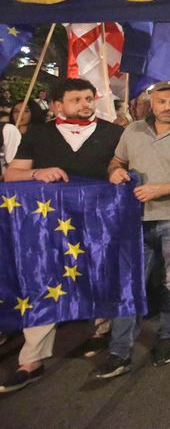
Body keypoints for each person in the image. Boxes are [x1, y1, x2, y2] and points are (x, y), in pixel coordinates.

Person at [0, 79, 124, 393]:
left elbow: (123, 166)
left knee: (99, 275)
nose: (85, 104)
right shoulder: (38, 135)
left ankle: (100, 330)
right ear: (57, 105)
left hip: (99, 221)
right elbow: (11, 174)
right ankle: (31, 361)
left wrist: (117, 171)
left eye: (88, 98)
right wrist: (35, 173)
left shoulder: (115, 132)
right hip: (47, 227)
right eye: (76, 99)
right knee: (43, 282)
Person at [96, 80, 170, 379]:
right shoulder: (132, 131)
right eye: (161, 101)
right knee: (130, 285)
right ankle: (119, 351)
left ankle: (168, 336)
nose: (167, 107)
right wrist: (115, 172)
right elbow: (116, 160)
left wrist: (163, 189)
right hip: (134, 220)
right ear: (151, 102)